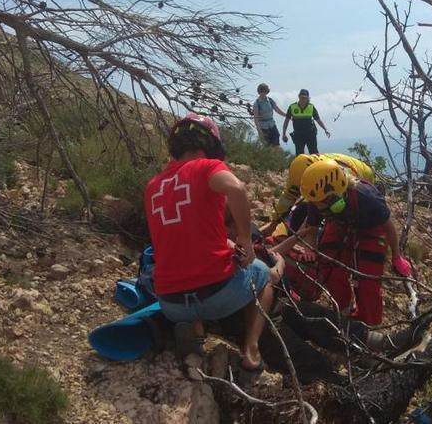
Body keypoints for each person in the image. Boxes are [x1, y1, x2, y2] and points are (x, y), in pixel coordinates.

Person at [144, 113, 274, 371]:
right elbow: (236, 189)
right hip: (218, 295)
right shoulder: (207, 167)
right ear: (211, 144)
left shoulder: (152, 186)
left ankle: (195, 328)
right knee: (264, 276)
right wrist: (245, 240)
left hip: (171, 303)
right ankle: (251, 347)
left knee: (189, 276)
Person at [295, 159, 412, 325]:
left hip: (371, 228)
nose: (314, 206)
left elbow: (388, 226)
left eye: (318, 203)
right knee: (329, 267)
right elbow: (312, 228)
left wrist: (396, 256)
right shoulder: (317, 197)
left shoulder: (367, 197)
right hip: (340, 223)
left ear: (333, 198)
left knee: (368, 283)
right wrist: (311, 249)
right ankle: (343, 312)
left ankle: (368, 324)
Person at [260, 152, 375, 237]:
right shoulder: (297, 174)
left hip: (363, 173)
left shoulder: (332, 175)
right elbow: (288, 198)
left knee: (344, 211)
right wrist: (273, 223)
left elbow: (339, 198)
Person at [281, 88, 330, 155]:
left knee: (314, 153)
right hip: (298, 134)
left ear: (307, 98)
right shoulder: (292, 107)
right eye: (301, 97)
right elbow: (286, 121)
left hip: (310, 133)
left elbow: (318, 120)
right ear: (298, 97)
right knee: (299, 155)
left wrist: (325, 129)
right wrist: (284, 133)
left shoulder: (311, 107)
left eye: (304, 98)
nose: (303, 100)